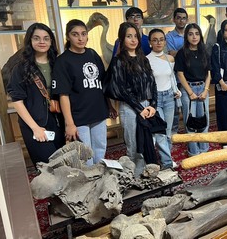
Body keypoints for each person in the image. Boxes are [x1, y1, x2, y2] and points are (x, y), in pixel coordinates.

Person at [52, 19, 115, 166]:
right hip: (79, 116)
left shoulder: (93, 54)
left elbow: (102, 83)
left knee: (100, 149)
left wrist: (109, 106)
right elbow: (63, 94)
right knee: (84, 154)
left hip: (98, 111)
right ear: (68, 37)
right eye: (75, 34)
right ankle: (89, 183)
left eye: (83, 34)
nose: (80, 38)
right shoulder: (63, 61)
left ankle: (100, 178)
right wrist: (69, 123)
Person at [7, 23, 65, 166]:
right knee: (48, 167)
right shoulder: (21, 68)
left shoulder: (57, 63)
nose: (42, 42)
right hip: (34, 123)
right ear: (30, 41)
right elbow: (17, 101)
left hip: (57, 121)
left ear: (51, 42)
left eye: (46, 38)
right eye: (37, 38)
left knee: (62, 165)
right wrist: (35, 128)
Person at [105, 22, 158, 174]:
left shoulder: (144, 59)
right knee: (134, 146)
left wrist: (153, 105)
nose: (133, 40)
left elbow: (153, 84)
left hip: (147, 106)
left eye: (135, 36)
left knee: (148, 142)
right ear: (122, 39)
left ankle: (145, 175)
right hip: (130, 108)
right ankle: (134, 178)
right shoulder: (118, 61)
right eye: (129, 36)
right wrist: (139, 108)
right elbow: (121, 90)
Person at [147, 28, 181, 169]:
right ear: (150, 43)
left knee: (168, 131)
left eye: (161, 39)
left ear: (165, 41)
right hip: (155, 99)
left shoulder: (170, 58)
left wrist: (176, 90)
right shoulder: (146, 60)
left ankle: (167, 157)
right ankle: (166, 163)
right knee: (159, 132)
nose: (158, 42)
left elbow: (171, 76)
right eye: (155, 40)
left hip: (169, 97)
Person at [175, 23, 210, 156]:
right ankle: (194, 152)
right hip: (187, 89)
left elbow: (209, 73)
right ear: (186, 36)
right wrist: (190, 92)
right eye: (190, 34)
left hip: (203, 88)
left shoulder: (204, 52)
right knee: (190, 122)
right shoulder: (182, 53)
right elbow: (180, 74)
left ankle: (204, 150)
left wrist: (206, 90)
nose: (194, 37)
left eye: (196, 34)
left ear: (200, 36)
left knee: (204, 121)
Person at [166, 8, 188, 134]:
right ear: (174, 19)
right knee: (174, 110)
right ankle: (173, 134)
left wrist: (180, 52)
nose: (181, 20)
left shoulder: (191, 33)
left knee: (187, 108)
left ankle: (188, 132)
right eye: (178, 17)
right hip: (174, 78)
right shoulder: (169, 36)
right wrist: (188, 50)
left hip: (189, 77)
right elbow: (171, 54)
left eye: (184, 18)